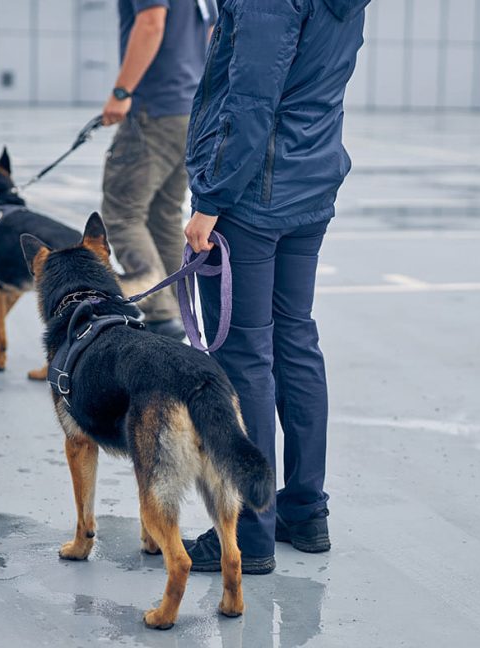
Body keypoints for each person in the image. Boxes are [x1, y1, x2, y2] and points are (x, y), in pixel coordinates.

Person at [181, 0, 371, 575]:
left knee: (244, 359)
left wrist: (210, 199)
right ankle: (305, 512)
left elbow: (252, 100)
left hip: (254, 194)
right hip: (310, 183)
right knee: (295, 340)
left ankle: (251, 529)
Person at [100, 0, 217, 339]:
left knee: (123, 214)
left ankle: (160, 314)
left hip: (155, 109)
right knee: (163, 216)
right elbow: (213, 36)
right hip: (190, 112)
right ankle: (178, 312)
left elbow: (151, 22)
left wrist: (122, 91)